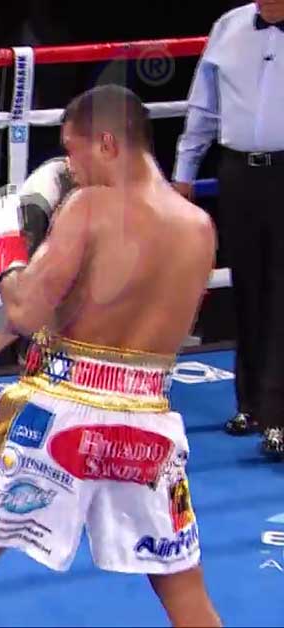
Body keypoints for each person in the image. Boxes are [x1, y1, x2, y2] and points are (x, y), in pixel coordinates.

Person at [0, 85, 221, 627]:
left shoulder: (91, 206)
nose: (70, 169)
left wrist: (6, 248)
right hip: (148, 421)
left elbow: (24, 312)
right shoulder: (199, 227)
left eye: (73, 152)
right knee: (186, 594)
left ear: (107, 143)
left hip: (58, 413)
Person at [172, 0, 284, 455]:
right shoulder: (229, 26)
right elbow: (203, 106)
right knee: (247, 289)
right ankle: (251, 405)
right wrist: (184, 172)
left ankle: (278, 414)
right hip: (238, 174)